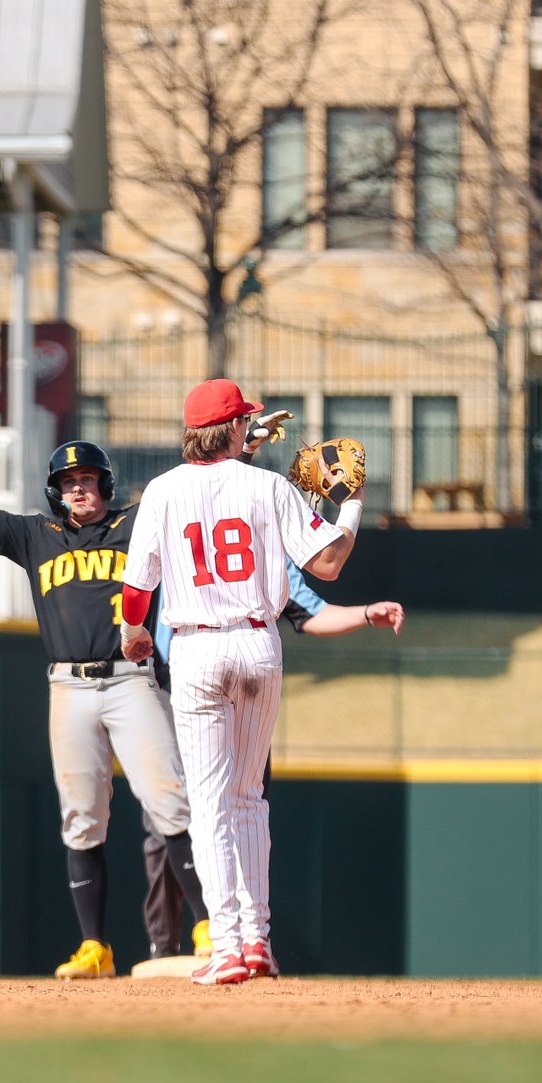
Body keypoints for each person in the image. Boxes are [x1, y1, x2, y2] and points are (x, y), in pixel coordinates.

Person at [0, 434, 213, 980]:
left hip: (131, 681)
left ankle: (207, 927)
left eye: (88, 480)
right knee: (81, 818)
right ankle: (95, 948)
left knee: (170, 802)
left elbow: (194, 498)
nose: (80, 489)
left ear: (105, 485)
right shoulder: (36, 535)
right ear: (57, 492)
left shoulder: (136, 525)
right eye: (69, 483)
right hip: (68, 688)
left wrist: (234, 453)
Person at [119, 377, 371, 985]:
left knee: (208, 803)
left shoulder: (162, 490)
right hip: (260, 645)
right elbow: (330, 564)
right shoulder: (269, 486)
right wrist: (352, 500)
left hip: (198, 648)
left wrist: (134, 634)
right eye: (243, 421)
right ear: (234, 428)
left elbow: (135, 591)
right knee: (249, 798)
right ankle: (258, 940)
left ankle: (228, 945)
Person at [141, 562, 405, 961]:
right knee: (194, 812)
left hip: (206, 673)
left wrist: (366, 613)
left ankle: (233, 939)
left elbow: (308, 608)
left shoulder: (193, 516)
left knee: (228, 809)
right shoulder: (192, 521)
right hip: (200, 677)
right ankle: (205, 942)